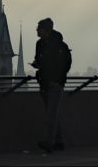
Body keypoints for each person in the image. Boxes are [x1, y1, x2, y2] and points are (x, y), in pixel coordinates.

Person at [30, 18, 72, 153]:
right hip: (44, 84)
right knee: (52, 114)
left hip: (55, 85)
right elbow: (39, 60)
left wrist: (57, 79)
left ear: (45, 30)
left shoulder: (60, 46)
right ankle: (59, 142)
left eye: (39, 28)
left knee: (51, 115)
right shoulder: (39, 44)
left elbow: (65, 64)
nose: (36, 30)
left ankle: (49, 143)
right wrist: (36, 64)